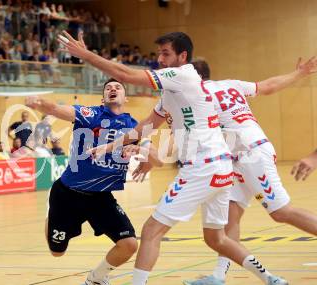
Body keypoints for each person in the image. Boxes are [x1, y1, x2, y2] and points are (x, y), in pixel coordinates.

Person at [59, 31, 288, 285]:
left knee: (150, 232)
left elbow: (125, 75)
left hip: (202, 166)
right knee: (217, 239)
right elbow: (146, 126)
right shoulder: (171, 91)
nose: (160, 58)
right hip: (221, 167)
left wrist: (85, 54)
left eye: (165, 53)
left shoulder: (182, 75)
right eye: (158, 53)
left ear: (183, 56)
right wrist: (108, 147)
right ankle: (271, 279)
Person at [183, 58, 317, 285]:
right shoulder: (230, 84)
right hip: (238, 158)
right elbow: (268, 86)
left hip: (250, 154)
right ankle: (217, 276)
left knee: (281, 212)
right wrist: (299, 74)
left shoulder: (197, 96)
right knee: (230, 217)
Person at [25, 78, 162, 285]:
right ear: (102, 99)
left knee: (129, 245)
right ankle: (50, 213)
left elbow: (157, 158)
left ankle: (95, 279)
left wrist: (145, 155)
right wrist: (40, 103)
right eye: (108, 88)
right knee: (57, 253)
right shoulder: (91, 115)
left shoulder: (132, 126)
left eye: (118, 87)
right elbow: (56, 109)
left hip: (100, 198)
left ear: (125, 98)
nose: (113, 89)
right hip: (67, 195)